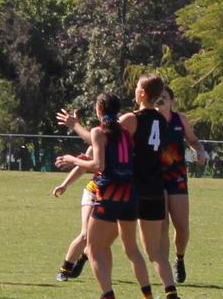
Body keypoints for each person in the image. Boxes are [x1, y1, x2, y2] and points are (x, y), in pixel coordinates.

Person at [58, 74, 180, 299]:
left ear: (142, 93)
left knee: (99, 246)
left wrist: (75, 126)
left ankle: (100, 284)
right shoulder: (163, 120)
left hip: (129, 189)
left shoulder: (130, 120)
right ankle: (169, 292)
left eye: (136, 87)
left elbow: (101, 138)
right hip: (154, 188)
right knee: (153, 251)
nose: (134, 90)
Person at [157, 86, 207, 283]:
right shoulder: (148, 120)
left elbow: (194, 141)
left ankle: (180, 258)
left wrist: (199, 151)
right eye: (157, 97)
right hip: (154, 177)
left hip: (176, 176)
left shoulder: (180, 120)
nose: (160, 100)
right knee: (162, 225)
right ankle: (166, 269)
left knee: (182, 226)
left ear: (172, 101)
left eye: (164, 97)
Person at [51, 146, 94, 282]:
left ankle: (85, 254)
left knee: (102, 239)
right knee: (85, 234)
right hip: (95, 191)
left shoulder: (128, 143)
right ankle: (65, 269)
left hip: (118, 196)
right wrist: (64, 185)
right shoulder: (98, 140)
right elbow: (82, 167)